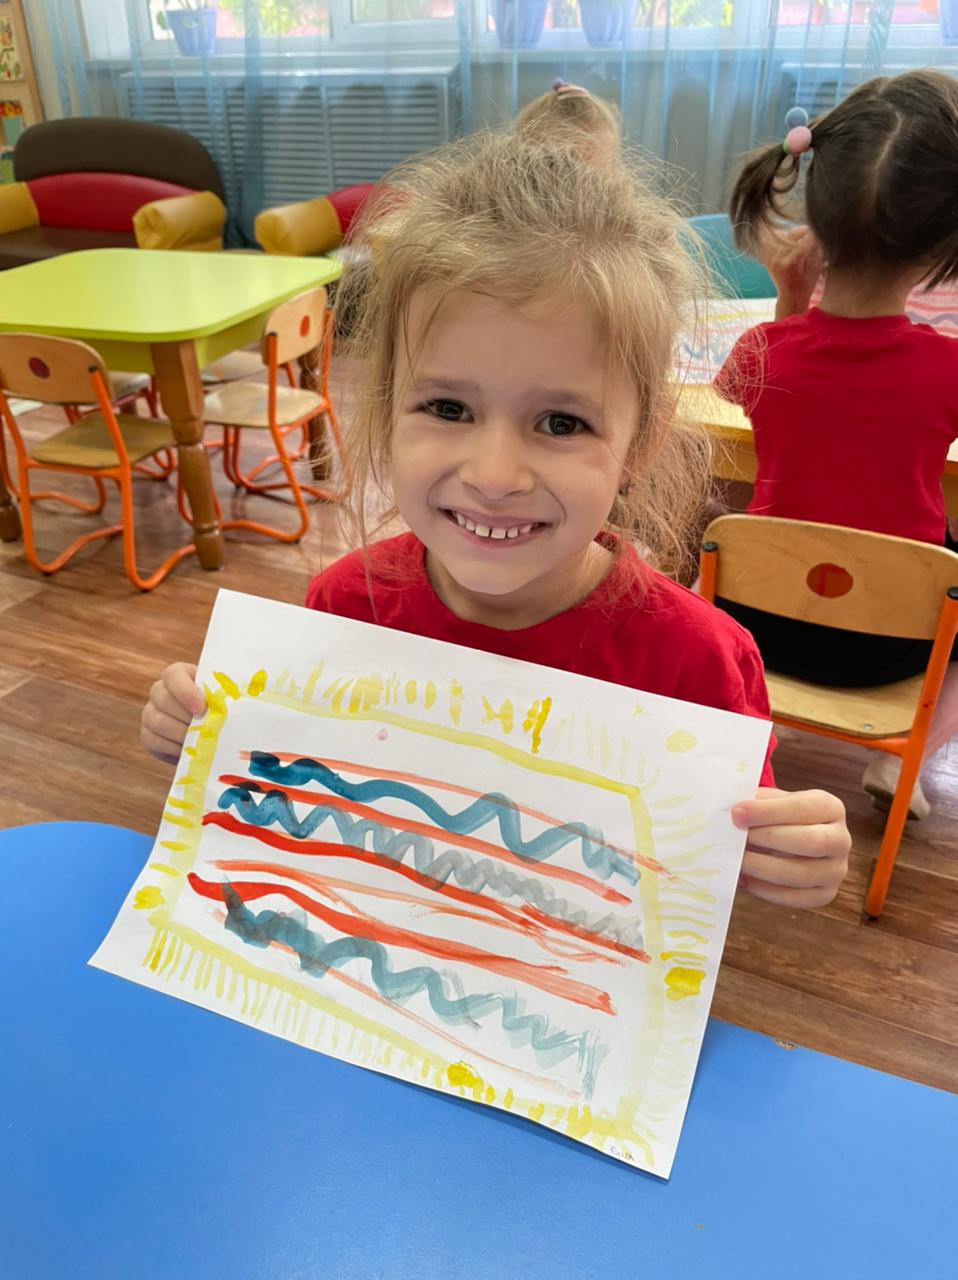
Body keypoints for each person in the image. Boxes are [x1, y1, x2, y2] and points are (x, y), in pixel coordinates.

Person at [141, 130, 849, 909]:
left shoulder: (697, 663)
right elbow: (292, 798)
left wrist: (789, 854)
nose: (494, 476)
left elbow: (725, 854)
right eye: (448, 408)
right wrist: (200, 734)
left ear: (641, 443)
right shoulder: (344, 607)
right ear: (387, 411)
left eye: (561, 423)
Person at [715, 69, 958, 820]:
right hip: (895, 645)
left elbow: (748, 388)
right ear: (941, 249)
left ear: (814, 214)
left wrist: (791, 299)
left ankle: (751, 727)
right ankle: (907, 757)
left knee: (718, 522)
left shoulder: (764, 349)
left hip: (759, 625)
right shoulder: (948, 368)